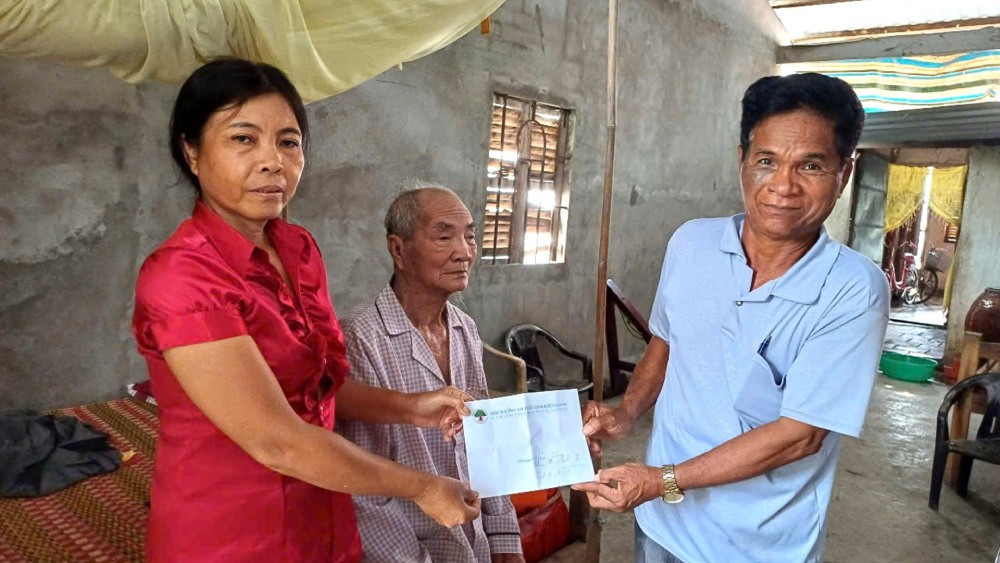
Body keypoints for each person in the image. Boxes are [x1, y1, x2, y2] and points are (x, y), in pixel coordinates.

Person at [132, 59, 481, 563]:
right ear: (192, 152)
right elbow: (279, 441)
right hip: (232, 533)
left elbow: (318, 391)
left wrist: (412, 407)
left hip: (319, 515)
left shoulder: (296, 249)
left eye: (289, 141)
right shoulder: (182, 277)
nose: (273, 161)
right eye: (243, 139)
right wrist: (423, 487)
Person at [573, 73, 890, 563]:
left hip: (758, 545)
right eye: (766, 161)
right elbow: (666, 341)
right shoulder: (692, 242)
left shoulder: (852, 289)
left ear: (843, 175)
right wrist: (626, 412)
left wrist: (662, 479)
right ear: (741, 160)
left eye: (810, 165)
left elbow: (800, 436)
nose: (782, 187)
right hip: (662, 524)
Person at [337, 186, 525, 563]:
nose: (465, 251)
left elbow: (485, 443)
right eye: (443, 236)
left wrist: (504, 537)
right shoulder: (361, 336)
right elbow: (363, 489)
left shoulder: (463, 328)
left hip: (473, 543)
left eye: (470, 236)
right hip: (409, 549)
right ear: (398, 249)